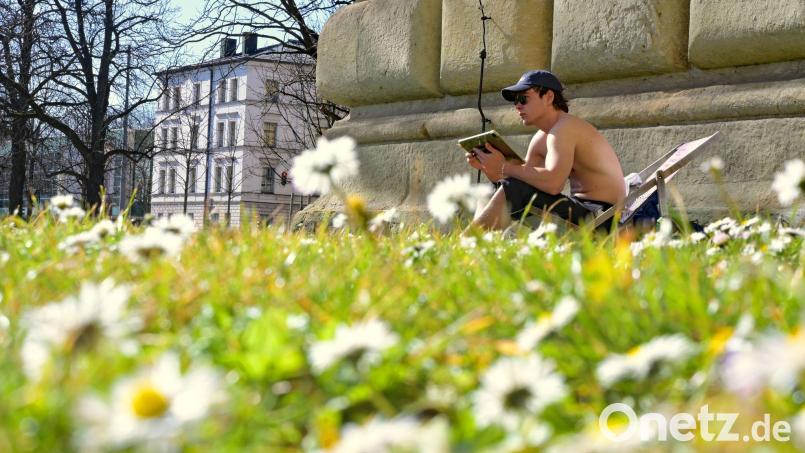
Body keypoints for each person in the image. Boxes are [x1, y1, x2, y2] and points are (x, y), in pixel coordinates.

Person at [467, 70, 626, 230]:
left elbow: (553, 183)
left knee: (513, 188)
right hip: (581, 211)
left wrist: (504, 167)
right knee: (491, 191)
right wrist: (489, 167)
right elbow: (523, 183)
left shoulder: (565, 127)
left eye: (523, 98)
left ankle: (468, 243)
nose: (517, 105)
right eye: (515, 100)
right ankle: (475, 245)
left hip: (602, 217)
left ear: (549, 97)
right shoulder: (541, 138)